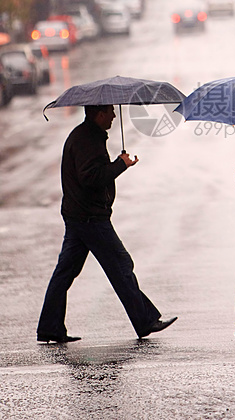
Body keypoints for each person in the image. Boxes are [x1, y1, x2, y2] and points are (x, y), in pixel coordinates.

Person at [37, 104, 177, 343]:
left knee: (65, 272)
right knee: (121, 265)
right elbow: (90, 177)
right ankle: (145, 321)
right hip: (89, 217)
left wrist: (118, 164)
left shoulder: (87, 136)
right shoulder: (86, 140)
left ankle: (50, 328)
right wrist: (120, 164)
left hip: (79, 215)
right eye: (110, 111)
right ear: (98, 114)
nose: (114, 115)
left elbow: (92, 171)